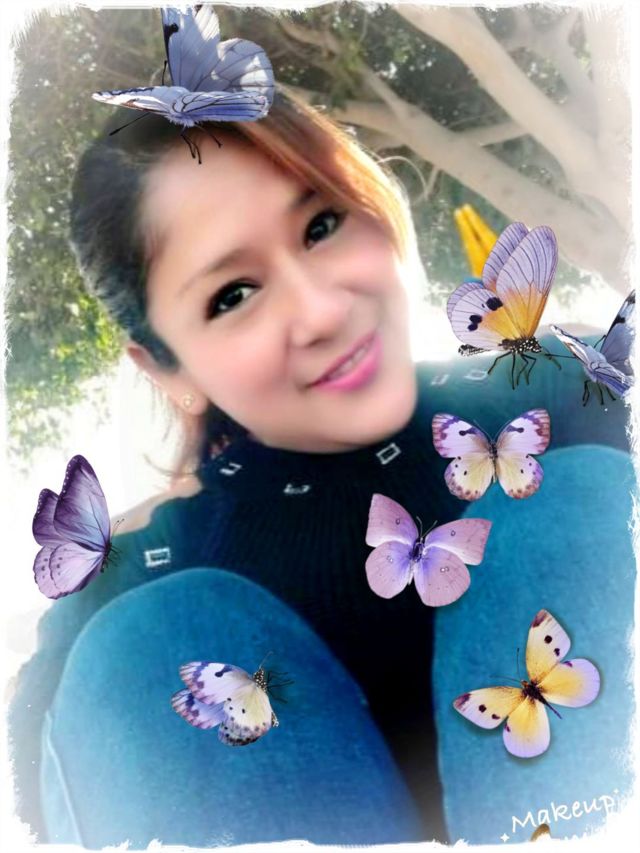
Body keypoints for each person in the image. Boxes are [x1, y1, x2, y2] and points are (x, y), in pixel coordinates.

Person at [9, 86, 635, 848]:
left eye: (322, 225)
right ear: (168, 367)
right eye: (233, 295)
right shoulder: (135, 571)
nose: (321, 311)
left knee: (566, 508)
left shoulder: (572, 389)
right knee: (142, 643)